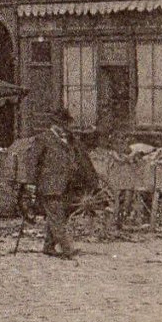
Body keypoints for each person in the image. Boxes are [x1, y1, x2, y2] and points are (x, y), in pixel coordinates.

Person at [30, 107, 96, 259]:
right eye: (63, 126)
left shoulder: (68, 140)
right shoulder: (43, 139)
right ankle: (67, 249)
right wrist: (32, 183)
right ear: (54, 125)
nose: (66, 129)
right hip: (49, 185)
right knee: (57, 217)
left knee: (59, 215)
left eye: (66, 126)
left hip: (66, 185)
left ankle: (48, 246)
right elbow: (33, 162)